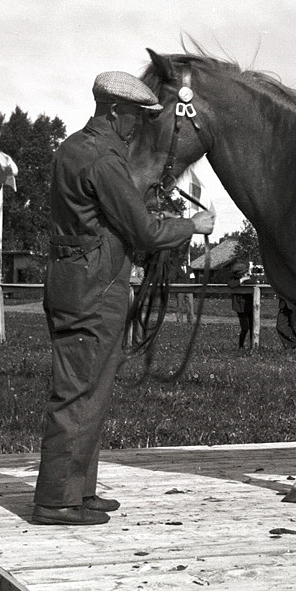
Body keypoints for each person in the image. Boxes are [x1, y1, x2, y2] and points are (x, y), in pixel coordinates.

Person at [35, 70, 215, 526]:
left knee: (90, 390)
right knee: (78, 392)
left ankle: (79, 491)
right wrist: (191, 227)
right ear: (115, 113)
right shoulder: (104, 161)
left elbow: (108, 219)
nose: (139, 127)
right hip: (93, 290)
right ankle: (56, 500)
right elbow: (145, 231)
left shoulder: (74, 148)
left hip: (82, 282)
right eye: (136, 116)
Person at [227, 262, 255, 349]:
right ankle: (241, 345)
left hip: (249, 304)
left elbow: (253, 282)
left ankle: (252, 345)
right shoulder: (234, 279)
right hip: (240, 306)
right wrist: (241, 280)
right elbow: (231, 284)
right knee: (245, 327)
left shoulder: (248, 278)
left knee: (252, 327)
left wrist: (247, 277)